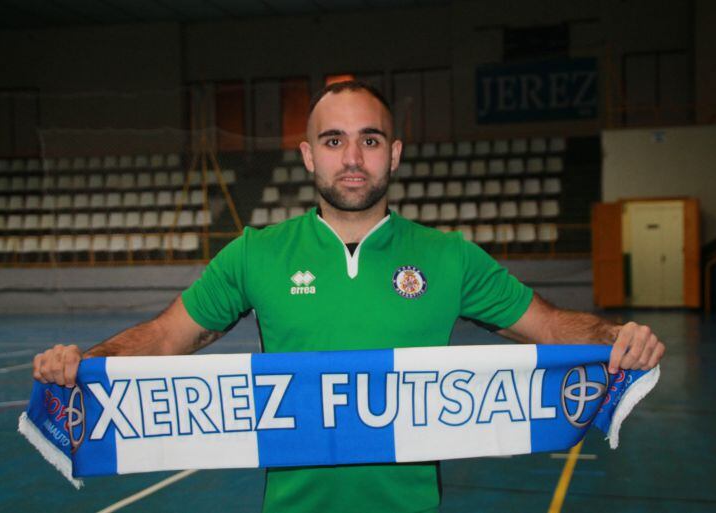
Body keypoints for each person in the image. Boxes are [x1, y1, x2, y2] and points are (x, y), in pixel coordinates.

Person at [33, 80, 665, 513]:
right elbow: (168, 337)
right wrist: (84, 364)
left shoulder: (450, 256)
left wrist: (618, 338)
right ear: (309, 156)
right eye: (334, 141)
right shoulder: (255, 253)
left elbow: (552, 328)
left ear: (394, 153)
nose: (352, 157)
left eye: (369, 139)